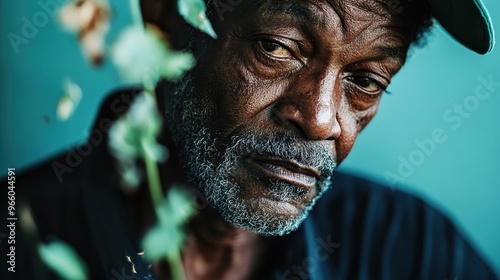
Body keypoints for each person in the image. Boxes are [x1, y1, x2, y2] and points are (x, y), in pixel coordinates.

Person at [6, 0, 499, 279]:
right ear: (161, 15)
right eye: (277, 47)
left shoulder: (410, 251)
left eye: (366, 82)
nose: (322, 120)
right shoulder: (16, 238)